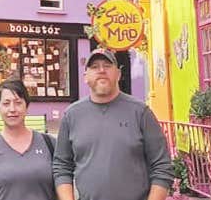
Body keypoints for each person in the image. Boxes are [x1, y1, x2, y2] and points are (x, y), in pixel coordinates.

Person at [52, 48, 173, 200]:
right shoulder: (72, 115)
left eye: (107, 65)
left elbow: (162, 167)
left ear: (118, 74)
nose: (101, 70)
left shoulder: (141, 112)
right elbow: (62, 166)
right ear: (85, 77)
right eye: (95, 67)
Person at [0, 79, 56, 200]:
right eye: (6, 103)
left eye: (18, 103)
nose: (12, 109)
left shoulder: (49, 144)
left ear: (27, 106)